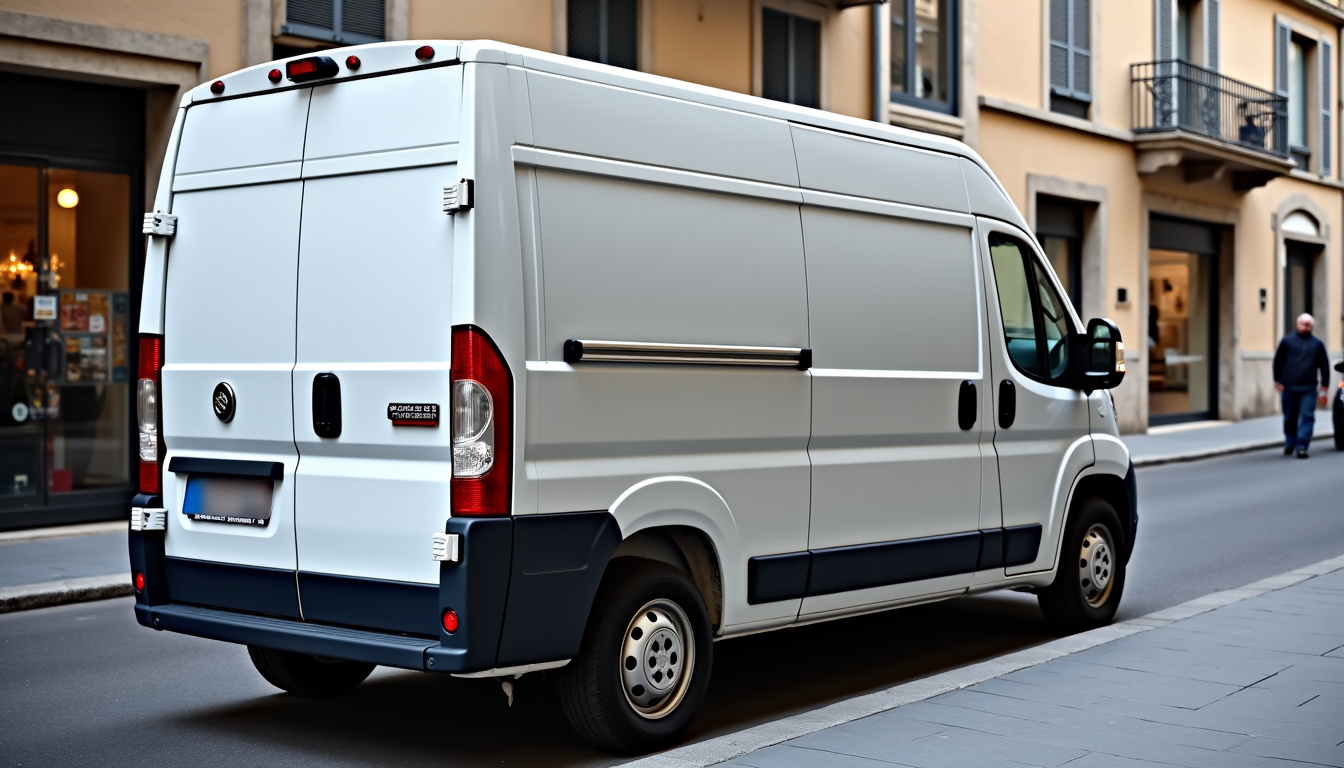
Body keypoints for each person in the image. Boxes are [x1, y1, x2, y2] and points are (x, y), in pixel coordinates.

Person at [1273, 312, 1331, 458]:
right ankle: (1290, 441)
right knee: (1290, 417)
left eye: (1308, 325)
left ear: (1311, 326)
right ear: (1297, 324)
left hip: (1309, 388)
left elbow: (1324, 365)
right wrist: (1278, 380)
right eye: (1302, 324)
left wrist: (1325, 385)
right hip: (1289, 386)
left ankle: (1302, 445)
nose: (1305, 327)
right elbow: (1278, 362)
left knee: (1307, 416)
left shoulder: (1317, 344)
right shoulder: (1287, 342)